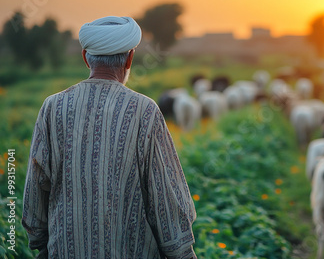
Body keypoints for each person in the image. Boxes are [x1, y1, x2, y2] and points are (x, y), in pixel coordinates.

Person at [22, 16, 197, 259]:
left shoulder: (53, 107)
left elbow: (36, 185)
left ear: (85, 58)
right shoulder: (144, 110)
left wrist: (42, 244)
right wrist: (182, 252)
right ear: (129, 59)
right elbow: (166, 195)